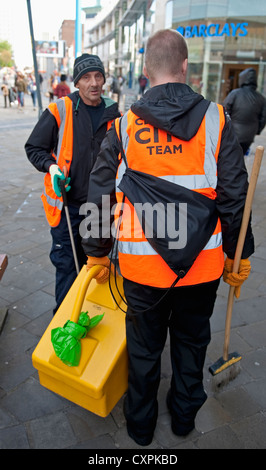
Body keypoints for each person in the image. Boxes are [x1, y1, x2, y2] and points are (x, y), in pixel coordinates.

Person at [81, 29, 255, 446]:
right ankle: (182, 420)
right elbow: (235, 195)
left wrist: (97, 253)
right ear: (185, 68)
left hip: (142, 271)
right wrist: (239, 253)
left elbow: (99, 192)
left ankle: (140, 428)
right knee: (192, 345)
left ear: (144, 71)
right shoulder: (216, 119)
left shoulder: (123, 127)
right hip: (202, 269)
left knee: (143, 350)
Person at [25, 53, 121, 314]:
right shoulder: (60, 109)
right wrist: (51, 166)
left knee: (98, 270)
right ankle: (66, 323)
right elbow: (34, 148)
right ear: (77, 82)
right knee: (68, 269)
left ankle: (90, 318)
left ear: (104, 80)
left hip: (101, 212)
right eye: (87, 77)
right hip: (68, 209)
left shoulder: (117, 115)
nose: (94, 83)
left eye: (98, 76)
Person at [223, 68, 266, 155]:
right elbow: (263, 118)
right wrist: (257, 130)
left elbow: (224, 110)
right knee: (240, 157)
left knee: (228, 158)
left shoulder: (235, 94)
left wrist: (225, 127)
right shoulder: (261, 98)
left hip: (233, 133)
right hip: (249, 135)